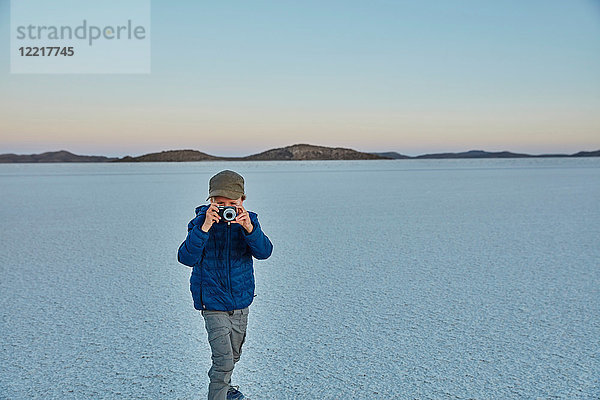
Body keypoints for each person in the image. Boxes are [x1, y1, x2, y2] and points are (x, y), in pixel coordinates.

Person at [177, 170, 273, 400]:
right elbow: (186, 258)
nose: (226, 207)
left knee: (233, 354)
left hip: (240, 301)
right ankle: (220, 393)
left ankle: (225, 389)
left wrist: (250, 228)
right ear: (210, 200)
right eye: (220, 203)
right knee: (223, 361)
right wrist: (204, 227)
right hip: (212, 301)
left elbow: (264, 252)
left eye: (232, 202)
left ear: (242, 201)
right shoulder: (200, 223)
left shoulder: (250, 222)